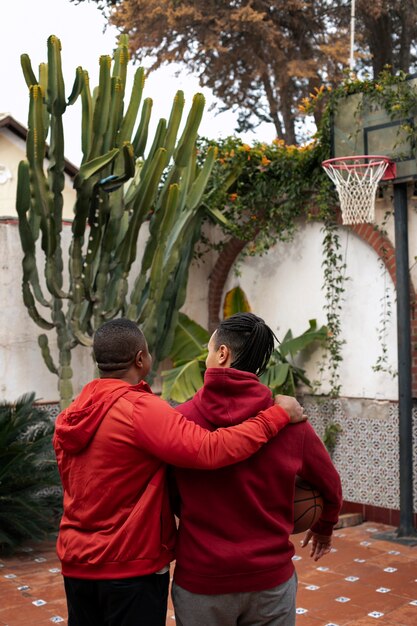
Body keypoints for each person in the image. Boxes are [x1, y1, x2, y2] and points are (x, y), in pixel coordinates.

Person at [53, 318, 305, 626]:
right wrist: (276, 415)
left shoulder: (73, 412)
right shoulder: (140, 410)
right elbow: (210, 449)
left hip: (77, 563)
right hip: (130, 567)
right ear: (141, 359)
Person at [171, 312, 343, 626]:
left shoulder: (180, 421)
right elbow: (330, 485)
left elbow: (167, 494)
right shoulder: (292, 423)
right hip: (270, 583)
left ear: (222, 354)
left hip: (202, 581)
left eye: (210, 350)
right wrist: (324, 525)